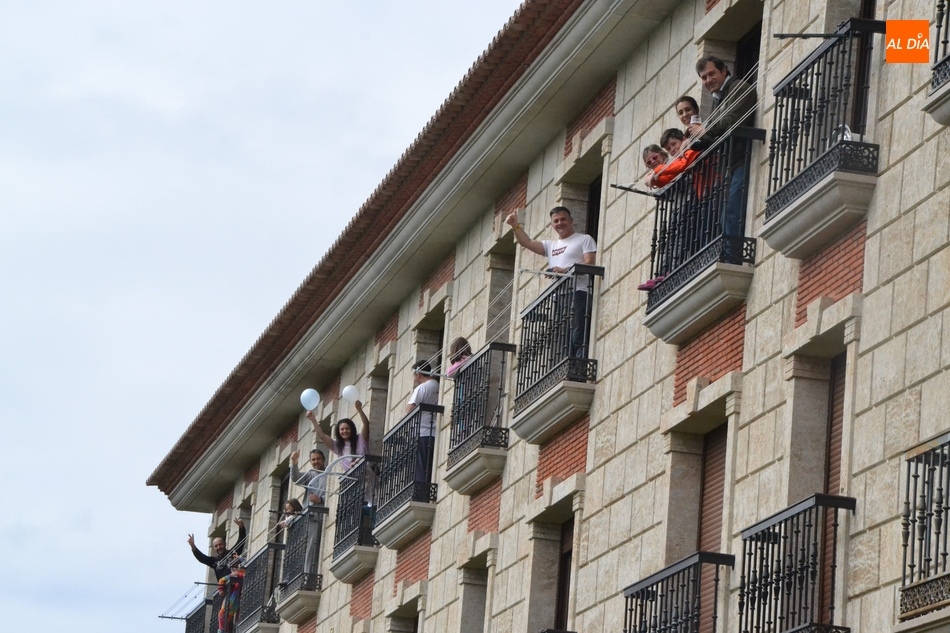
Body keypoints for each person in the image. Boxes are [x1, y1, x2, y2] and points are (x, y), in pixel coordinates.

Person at [505, 206, 597, 358]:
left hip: (579, 292)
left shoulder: (584, 239)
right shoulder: (551, 245)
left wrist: (565, 270)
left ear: (571, 221)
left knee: (577, 333)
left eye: (563, 219)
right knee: (563, 337)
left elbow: (590, 263)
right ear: (552, 225)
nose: (560, 223)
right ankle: (567, 368)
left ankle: (578, 368)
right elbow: (526, 242)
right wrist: (515, 226)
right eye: (556, 221)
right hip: (559, 297)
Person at [687, 56, 757, 252]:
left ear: (724, 71)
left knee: (732, 210)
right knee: (725, 212)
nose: (708, 80)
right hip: (730, 165)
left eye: (711, 74)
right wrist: (692, 143)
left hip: (742, 159)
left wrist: (705, 131)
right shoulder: (719, 97)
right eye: (704, 77)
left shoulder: (739, 88)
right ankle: (724, 252)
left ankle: (731, 255)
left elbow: (731, 120)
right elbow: (713, 133)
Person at [306, 401, 369, 472]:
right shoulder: (337, 445)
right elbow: (322, 436)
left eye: (347, 428)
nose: (344, 431)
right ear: (338, 432)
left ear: (352, 429)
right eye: (342, 429)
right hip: (352, 480)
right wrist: (313, 420)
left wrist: (360, 410)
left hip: (366, 474)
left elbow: (366, 424)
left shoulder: (360, 439)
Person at [407, 360, 439, 487]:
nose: (414, 379)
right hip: (434, 431)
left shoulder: (422, 388)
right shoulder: (437, 385)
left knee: (421, 466)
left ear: (418, 374)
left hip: (423, 432)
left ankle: (421, 491)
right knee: (430, 465)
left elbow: (409, 409)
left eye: (414, 375)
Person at [216, 558, 245, 633]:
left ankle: (223, 630)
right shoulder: (234, 574)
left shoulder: (240, 574)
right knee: (224, 616)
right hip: (233, 597)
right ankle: (224, 630)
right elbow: (222, 580)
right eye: (232, 567)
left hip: (233, 598)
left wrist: (221, 589)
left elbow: (222, 580)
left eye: (235, 566)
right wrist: (221, 589)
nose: (233, 568)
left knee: (222, 615)